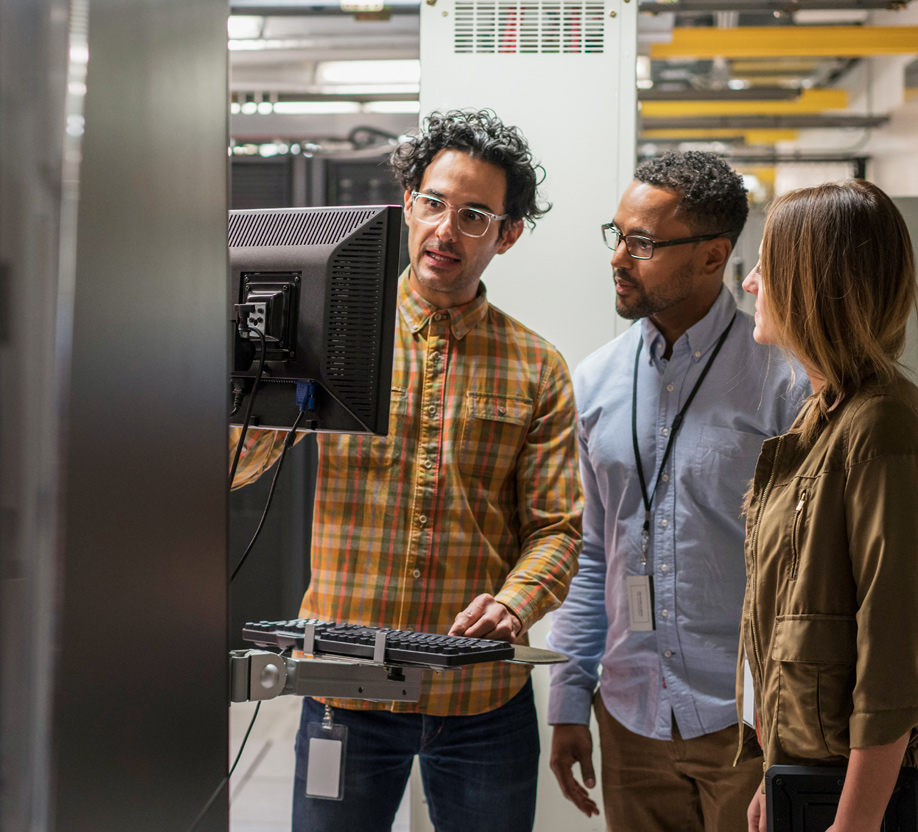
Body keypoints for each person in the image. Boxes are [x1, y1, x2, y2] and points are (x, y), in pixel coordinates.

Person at [232, 109, 583, 832]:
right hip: (343, 685)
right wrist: (249, 377)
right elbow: (236, 469)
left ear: (507, 235)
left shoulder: (537, 367)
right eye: (433, 203)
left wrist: (516, 603)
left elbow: (558, 530)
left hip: (479, 697)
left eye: (475, 216)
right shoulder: (333, 332)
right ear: (407, 205)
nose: (445, 230)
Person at [546, 151, 810, 831]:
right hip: (630, 717)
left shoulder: (785, 383)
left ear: (712, 255)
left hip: (747, 722)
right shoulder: (596, 383)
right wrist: (570, 699)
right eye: (618, 236)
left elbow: (811, 572)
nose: (619, 258)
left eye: (644, 243)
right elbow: (590, 556)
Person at [739, 179, 918, 832]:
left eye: (767, 264)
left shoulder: (881, 427)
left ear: (814, 284)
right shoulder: (822, 419)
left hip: (867, 794)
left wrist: (854, 822)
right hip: (811, 777)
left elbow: (891, 657)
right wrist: (773, 770)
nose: (752, 281)